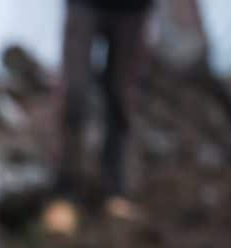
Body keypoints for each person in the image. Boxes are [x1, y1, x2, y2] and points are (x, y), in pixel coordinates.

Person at [44, 0, 153, 235]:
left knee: (121, 96)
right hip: (84, 5)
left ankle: (114, 189)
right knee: (75, 93)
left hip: (133, 9)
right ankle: (65, 191)